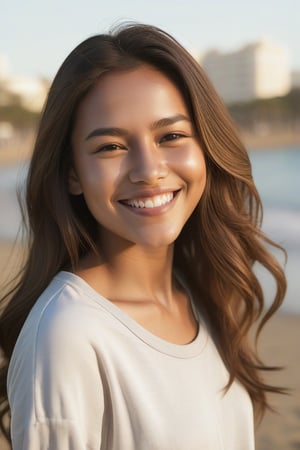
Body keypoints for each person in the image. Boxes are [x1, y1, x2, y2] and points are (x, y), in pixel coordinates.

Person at [0, 23, 286, 450]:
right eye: (111, 147)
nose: (149, 170)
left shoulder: (200, 296)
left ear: (205, 147)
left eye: (170, 136)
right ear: (72, 172)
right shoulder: (66, 337)